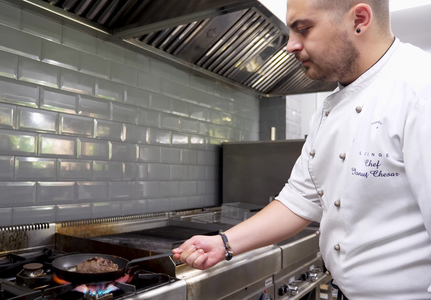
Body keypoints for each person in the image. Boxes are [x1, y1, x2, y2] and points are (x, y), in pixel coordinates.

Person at [172, 0, 431, 299]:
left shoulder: (419, 90)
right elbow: (299, 199)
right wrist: (224, 243)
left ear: (359, 19)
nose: (290, 46)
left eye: (303, 29)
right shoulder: (328, 109)